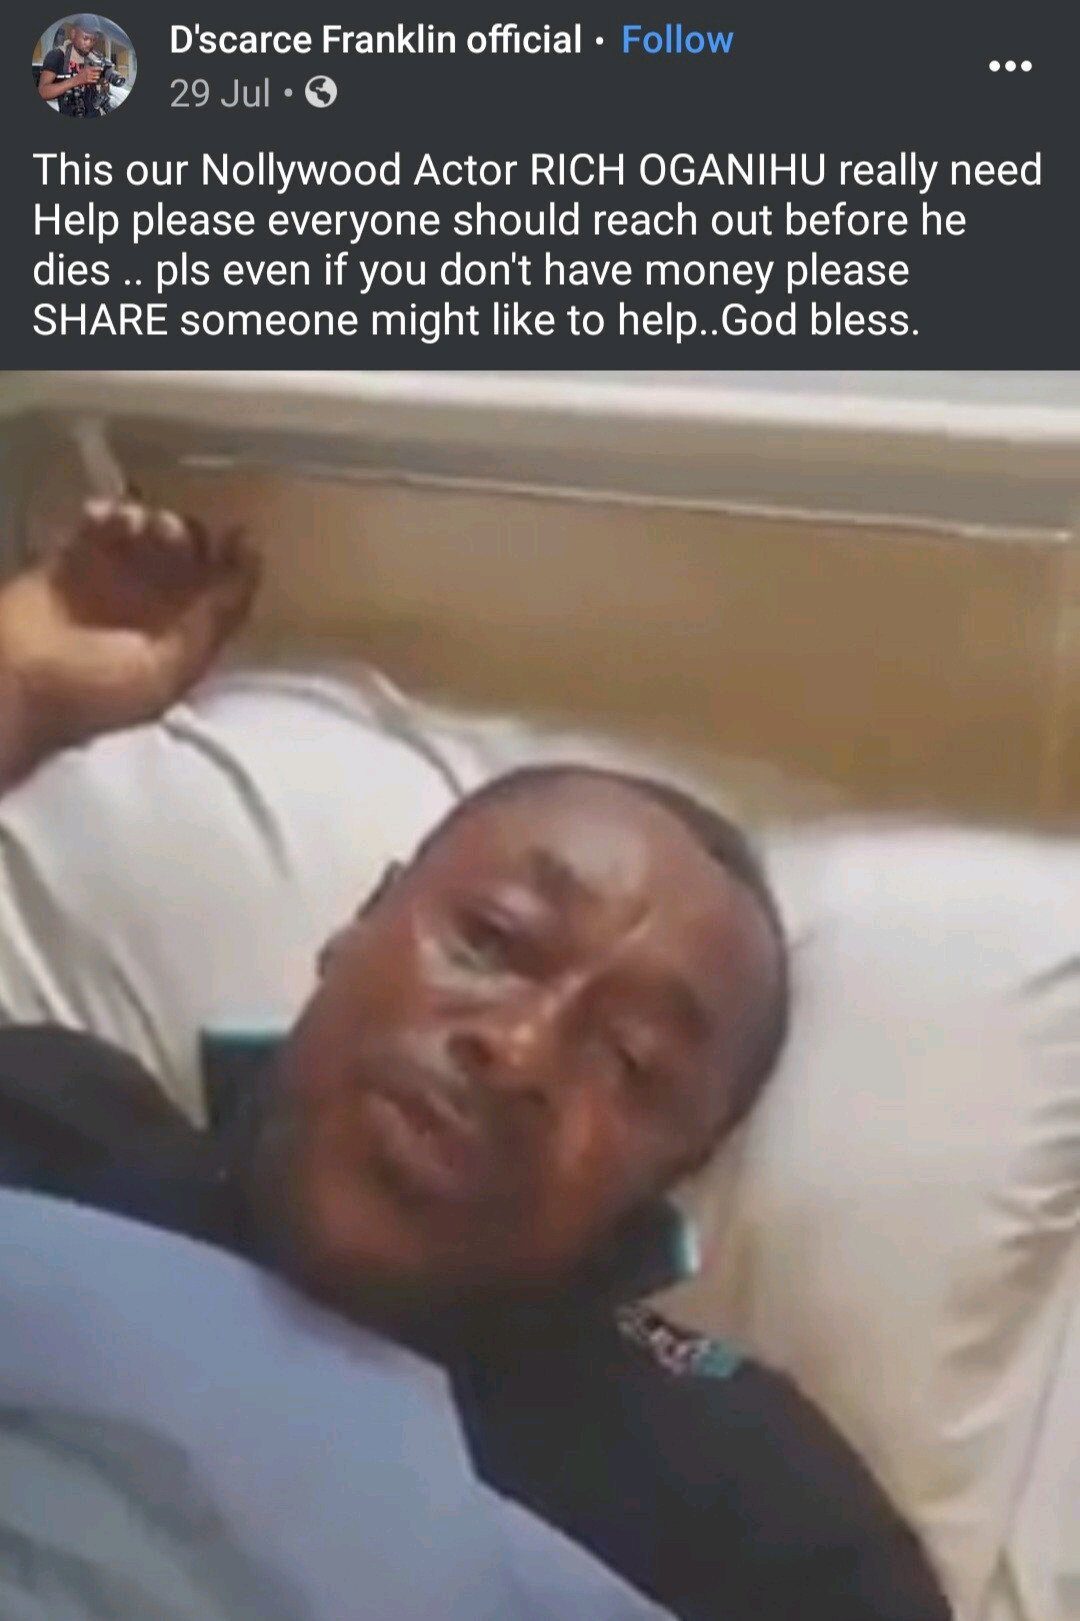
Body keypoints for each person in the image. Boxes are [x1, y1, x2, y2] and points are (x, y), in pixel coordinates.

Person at [0, 498, 952, 1621]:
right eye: (492, 941)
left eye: (632, 1061)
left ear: (669, 1173)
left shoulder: (743, 1504)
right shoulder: (55, 1130)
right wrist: (22, 692)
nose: (517, 1050)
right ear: (360, 923)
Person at [37, 14, 111, 116]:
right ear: (73, 34)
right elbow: (42, 92)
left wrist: (104, 84)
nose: (89, 43)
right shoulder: (57, 56)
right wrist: (77, 80)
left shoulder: (96, 57)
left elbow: (104, 90)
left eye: (93, 40)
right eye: (85, 38)